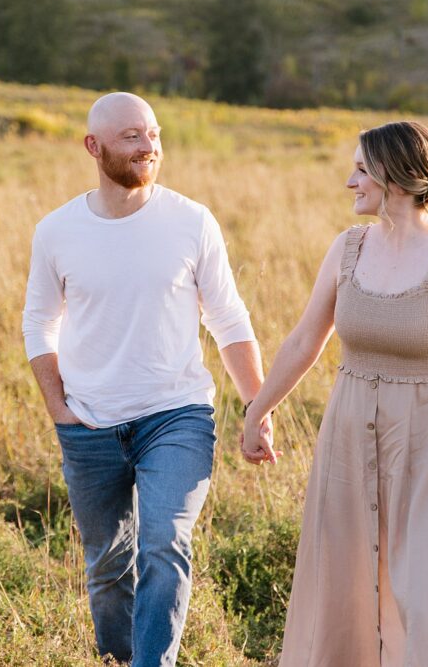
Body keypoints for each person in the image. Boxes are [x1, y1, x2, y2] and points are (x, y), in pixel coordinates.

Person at [22, 92, 276, 666]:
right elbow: (39, 322)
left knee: (164, 542)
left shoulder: (191, 220)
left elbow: (229, 318)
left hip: (177, 414)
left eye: (155, 134)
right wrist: (60, 410)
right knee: (109, 565)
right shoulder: (57, 230)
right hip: (88, 423)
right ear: (94, 146)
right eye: (133, 135)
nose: (149, 145)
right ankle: (118, 658)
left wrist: (256, 409)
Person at [241, 121, 428, 666]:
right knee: (346, 588)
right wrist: (257, 410)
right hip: (348, 437)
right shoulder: (348, 247)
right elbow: (303, 341)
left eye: (361, 169)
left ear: (396, 177)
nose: (349, 181)